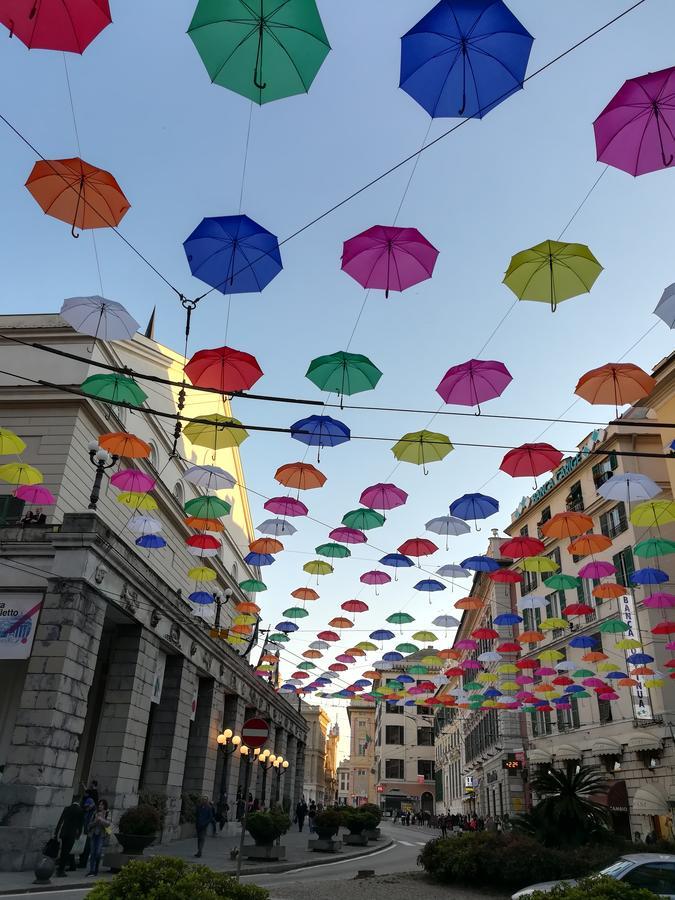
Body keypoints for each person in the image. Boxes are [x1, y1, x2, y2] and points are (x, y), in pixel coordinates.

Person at [54, 797, 84, 877]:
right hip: (72, 833)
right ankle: (61, 870)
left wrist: (56, 832)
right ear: (79, 801)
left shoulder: (67, 808)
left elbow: (61, 821)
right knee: (67, 851)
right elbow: (80, 825)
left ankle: (61, 868)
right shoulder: (80, 810)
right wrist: (79, 834)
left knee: (63, 850)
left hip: (64, 832)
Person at [86, 799, 111, 876]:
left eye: (102, 805)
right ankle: (92, 870)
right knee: (92, 852)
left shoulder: (107, 813)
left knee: (98, 853)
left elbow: (108, 824)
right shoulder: (95, 813)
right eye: (99, 804)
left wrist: (101, 820)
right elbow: (89, 824)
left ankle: (96, 869)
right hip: (93, 834)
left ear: (105, 806)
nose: (100, 806)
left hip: (101, 835)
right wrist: (95, 821)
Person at [79, 797, 96, 869]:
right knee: (83, 846)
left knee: (87, 847)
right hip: (84, 830)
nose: (87, 807)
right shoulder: (86, 811)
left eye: (88, 806)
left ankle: (83, 862)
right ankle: (81, 861)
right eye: (86, 806)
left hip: (90, 831)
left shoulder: (94, 812)